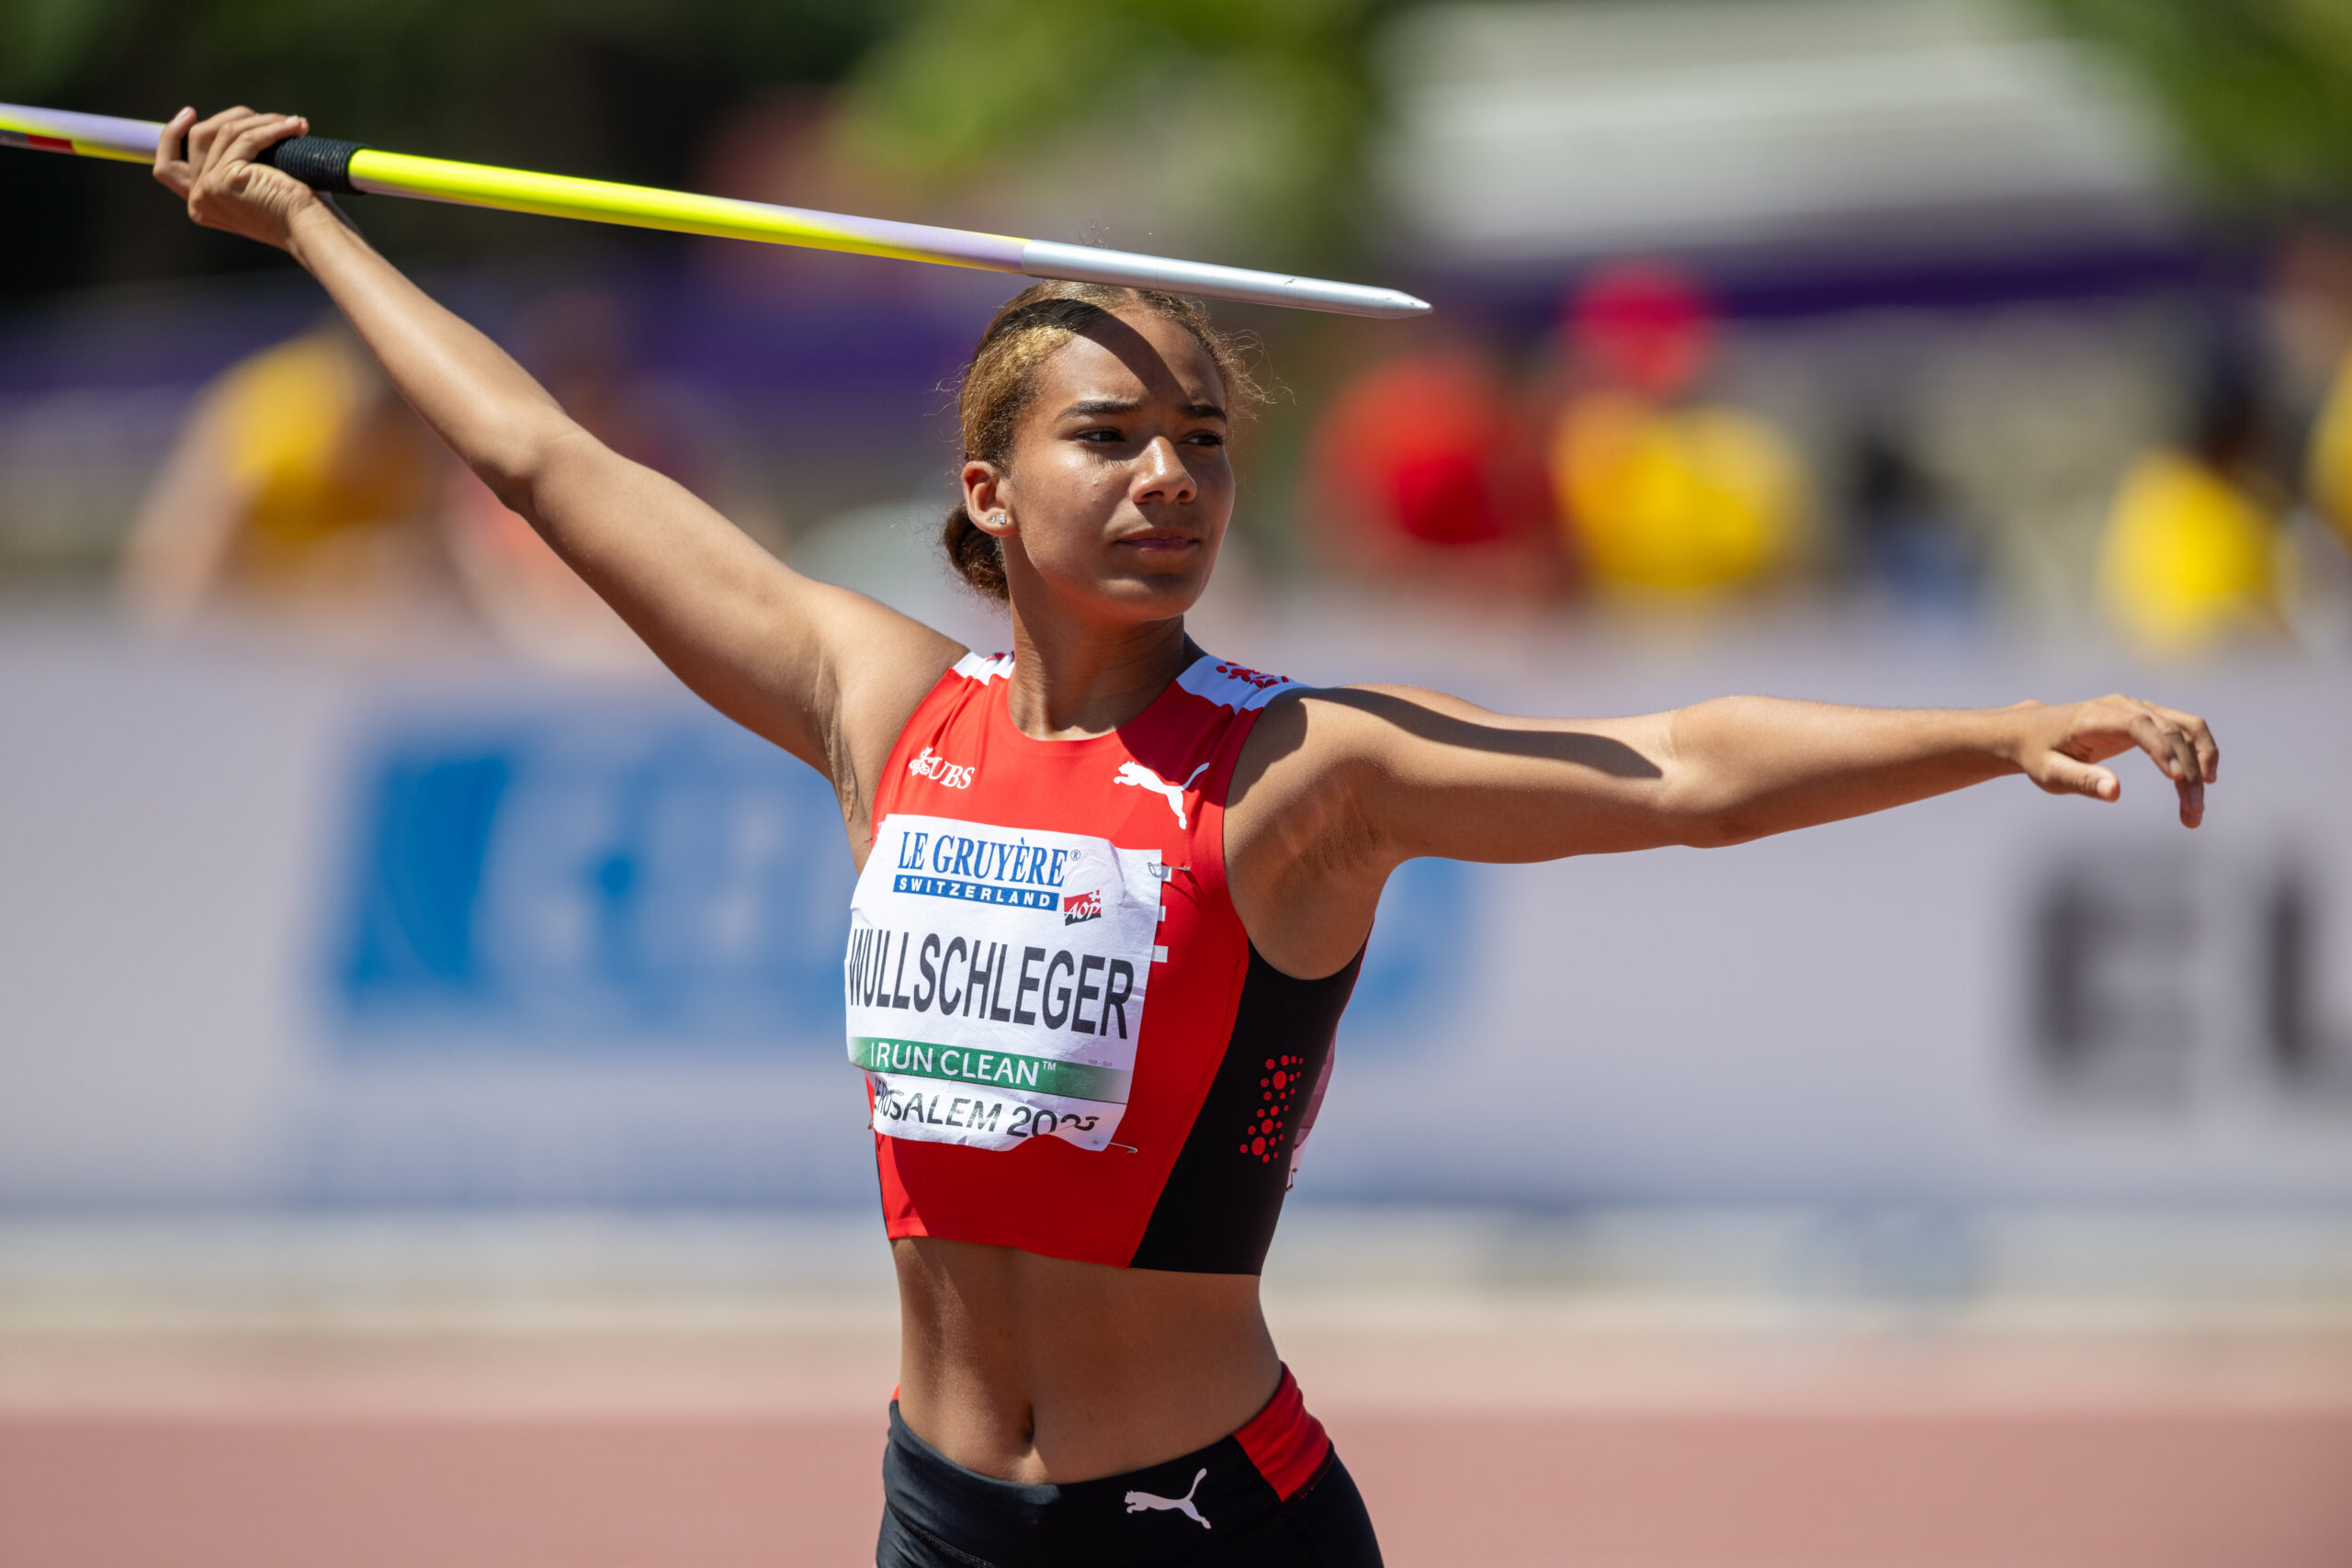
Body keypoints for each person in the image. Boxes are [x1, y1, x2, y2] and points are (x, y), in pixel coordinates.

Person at [153, 107, 2222, 1568]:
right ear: (982, 493)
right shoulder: (884, 710)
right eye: (1108, 436)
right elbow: (537, 455)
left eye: (1205, 445)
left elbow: (1671, 768)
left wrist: (1992, 722)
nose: (1167, 478)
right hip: (940, 1517)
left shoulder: (1291, 772)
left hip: (1204, 1527)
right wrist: (312, 226)